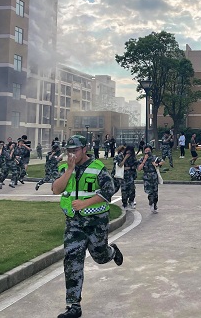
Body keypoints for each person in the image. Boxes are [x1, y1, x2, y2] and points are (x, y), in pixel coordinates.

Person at [52, 135, 123, 318]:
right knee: (72, 260)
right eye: (69, 151)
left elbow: (109, 190)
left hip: (96, 221)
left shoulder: (97, 168)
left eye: (75, 150)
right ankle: (73, 305)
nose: (71, 154)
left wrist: (85, 203)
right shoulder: (64, 167)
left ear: (85, 149)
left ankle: (112, 252)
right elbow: (56, 189)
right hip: (74, 223)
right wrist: (69, 170)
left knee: (99, 256)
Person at [137, 144, 163, 213]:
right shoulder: (142, 159)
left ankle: (155, 205)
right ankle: (151, 203)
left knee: (155, 193)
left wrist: (157, 164)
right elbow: (139, 168)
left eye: (149, 150)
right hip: (146, 177)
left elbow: (162, 161)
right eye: (146, 151)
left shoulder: (154, 158)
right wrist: (144, 160)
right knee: (150, 192)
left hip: (154, 177)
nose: (147, 152)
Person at [114, 144, 139, 209]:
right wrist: (125, 158)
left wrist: (129, 167)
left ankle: (131, 201)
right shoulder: (119, 156)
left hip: (130, 175)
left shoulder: (132, 157)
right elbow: (119, 165)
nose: (128, 153)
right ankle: (124, 203)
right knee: (124, 190)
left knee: (132, 189)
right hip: (122, 176)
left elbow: (135, 165)